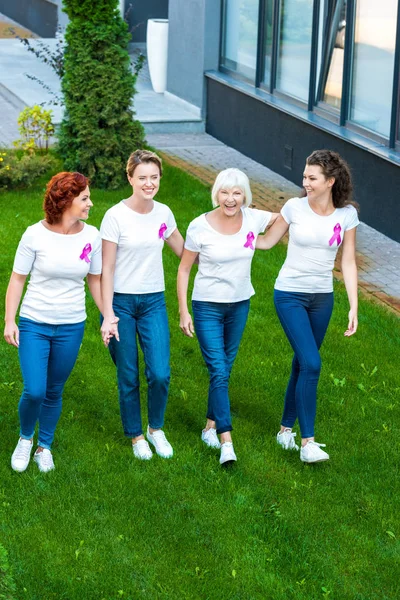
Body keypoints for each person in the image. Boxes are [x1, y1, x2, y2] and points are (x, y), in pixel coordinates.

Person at [256, 149, 359, 463]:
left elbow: (349, 261)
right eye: (305, 177)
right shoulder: (294, 208)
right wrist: (233, 227)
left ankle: (285, 430)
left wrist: (354, 306)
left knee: (302, 363)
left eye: (312, 178)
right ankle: (307, 442)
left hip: (322, 299)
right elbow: (266, 242)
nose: (305, 182)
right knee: (312, 364)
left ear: (330, 181)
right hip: (289, 295)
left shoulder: (347, 215)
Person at [177, 168, 278, 466]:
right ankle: (226, 440)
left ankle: (208, 425)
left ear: (244, 196)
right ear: (216, 194)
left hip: (240, 305)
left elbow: (285, 216)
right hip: (207, 305)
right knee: (218, 370)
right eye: (225, 192)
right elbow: (184, 269)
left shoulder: (253, 218)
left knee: (224, 368)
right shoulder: (199, 226)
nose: (230, 199)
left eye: (237, 193)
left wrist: (264, 240)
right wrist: (183, 310)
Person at [4, 172, 102, 473]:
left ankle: (44, 446)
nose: (90, 204)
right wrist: (10, 320)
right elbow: (17, 279)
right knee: (35, 389)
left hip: (71, 325)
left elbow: (95, 280)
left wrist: (107, 315)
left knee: (54, 389)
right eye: (84, 198)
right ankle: (25, 437)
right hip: (35, 321)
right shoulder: (34, 234)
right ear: (65, 201)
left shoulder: (92, 236)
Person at [100, 149, 184, 460]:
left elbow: (184, 252)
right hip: (120, 302)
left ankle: (155, 429)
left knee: (160, 372)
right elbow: (106, 269)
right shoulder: (115, 216)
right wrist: (108, 315)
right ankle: (136, 435)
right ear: (130, 179)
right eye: (142, 178)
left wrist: (224, 242)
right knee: (128, 373)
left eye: (154, 177)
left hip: (153, 301)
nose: (149, 183)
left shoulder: (163, 214)